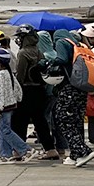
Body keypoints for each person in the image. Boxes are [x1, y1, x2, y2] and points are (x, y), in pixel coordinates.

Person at [11, 25, 58, 159]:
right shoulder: (39, 51)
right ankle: (50, 149)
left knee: (19, 121)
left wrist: (16, 92)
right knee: (40, 121)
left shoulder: (23, 53)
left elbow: (20, 76)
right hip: (39, 90)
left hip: (27, 90)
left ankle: (19, 150)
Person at [50, 33, 94, 167]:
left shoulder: (61, 42)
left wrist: (48, 62)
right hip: (81, 88)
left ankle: (83, 151)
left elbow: (61, 59)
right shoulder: (79, 45)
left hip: (68, 88)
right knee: (76, 121)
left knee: (64, 120)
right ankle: (75, 154)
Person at [0, 48, 30, 163]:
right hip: (10, 105)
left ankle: (25, 149)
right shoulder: (9, 73)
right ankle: (5, 155)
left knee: (5, 130)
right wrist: (16, 99)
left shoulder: (0, 75)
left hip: (2, 107)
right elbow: (18, 90)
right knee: (1, 130)